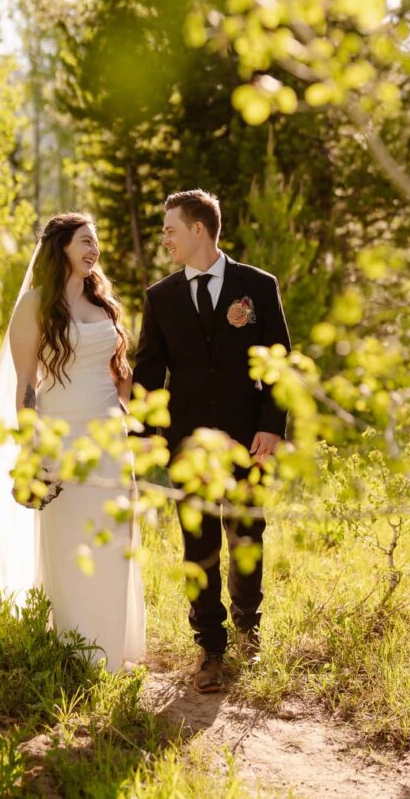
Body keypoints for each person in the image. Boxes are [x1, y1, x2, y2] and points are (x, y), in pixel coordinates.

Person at [0, 212, 145, 671]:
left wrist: (129, 413)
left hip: (108, 439)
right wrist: (30, 449)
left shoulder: (104, 303)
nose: (94, 250)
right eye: (86, 241)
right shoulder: (35, 305)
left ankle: (111, 648)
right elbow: (25, 384)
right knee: (68, 542)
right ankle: (73, 650)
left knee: (113, 539)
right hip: (60, 437)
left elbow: (119, 372)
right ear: (61, 246)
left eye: (97, 243)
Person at [133, 189, 290, 693]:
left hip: (249, 437)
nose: (165, 239)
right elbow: (149, 371)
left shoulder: (257, 287)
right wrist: (144, 436)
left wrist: (271, 424)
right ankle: (210, 647)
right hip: (189, 444)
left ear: (199, 229)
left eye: (170, 230)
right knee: (197, 542)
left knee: (247, 532)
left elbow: (279, 361)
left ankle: (250, 634)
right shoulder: (161, 297)